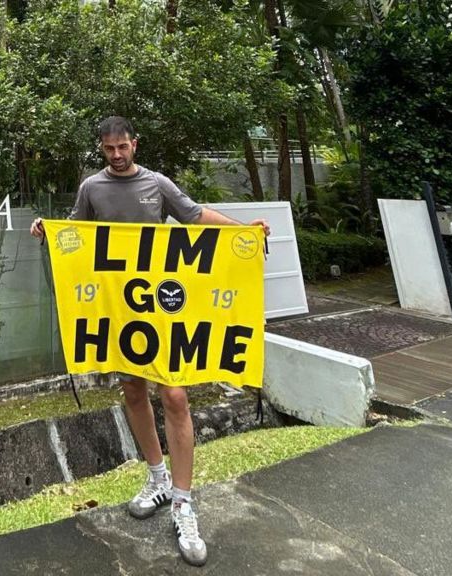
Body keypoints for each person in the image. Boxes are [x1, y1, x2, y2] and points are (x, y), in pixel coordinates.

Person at [31, 116, 270, 567]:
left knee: (175, 396)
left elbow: (196, 216)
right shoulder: (92, 188)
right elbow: (77, 236)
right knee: (134, 391)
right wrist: (49, 230)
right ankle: (157, 478)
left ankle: (183, 502)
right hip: (123, 314)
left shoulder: (157, 183)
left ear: (134, 145)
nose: (117, 156)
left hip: (163, 310)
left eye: (123, 148)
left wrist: (244, 232)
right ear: (101, 149)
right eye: (109, 150)